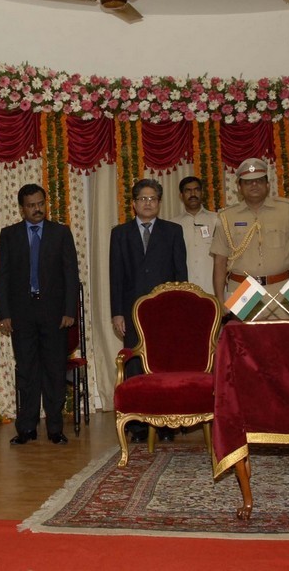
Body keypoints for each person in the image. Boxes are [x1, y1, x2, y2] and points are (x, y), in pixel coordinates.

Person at [0, 184, 80, 446]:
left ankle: (55, 427)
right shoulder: (9, 235)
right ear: (22, 209)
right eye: (31, 205)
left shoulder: (60, 233)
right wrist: (5, 314)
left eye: (40, 203)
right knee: (27, 372)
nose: (37, 209)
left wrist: (69, 311)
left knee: (54, 371)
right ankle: (27, 428)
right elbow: (2, 278)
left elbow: (70, 275)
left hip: (55, 314)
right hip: (22, 313)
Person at [109, 178, 187, 442]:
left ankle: (166, 425)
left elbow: (181, 274)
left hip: (166, 312)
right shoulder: (119, 233)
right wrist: (117, 312)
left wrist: (179, 308)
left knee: (164, 367)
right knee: (135, 367)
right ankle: (138, 425)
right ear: (133, 204)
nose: (148, 203)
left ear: (159, 203)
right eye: (143, 199)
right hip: (132, 312)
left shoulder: (173, 231)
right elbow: (115, 276)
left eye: (152, 199)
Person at [211, 158, 289, 320]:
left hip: (283, 288)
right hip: (243, 290)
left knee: (287, 340)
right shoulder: (226, 217)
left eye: (258, 181)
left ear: (267, 185)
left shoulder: (287, 211)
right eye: (248, 182)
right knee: (246, 342)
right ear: (239, 188)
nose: (254, 185)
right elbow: (219, 262)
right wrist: (220, 300)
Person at [170, 176, 217, 296]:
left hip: (213, 289)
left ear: (202, 193)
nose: (193, 194)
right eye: (188, 190)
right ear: (181, 195)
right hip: (185, 291)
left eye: (196, 190)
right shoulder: (172, 225)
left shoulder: (217, 220)